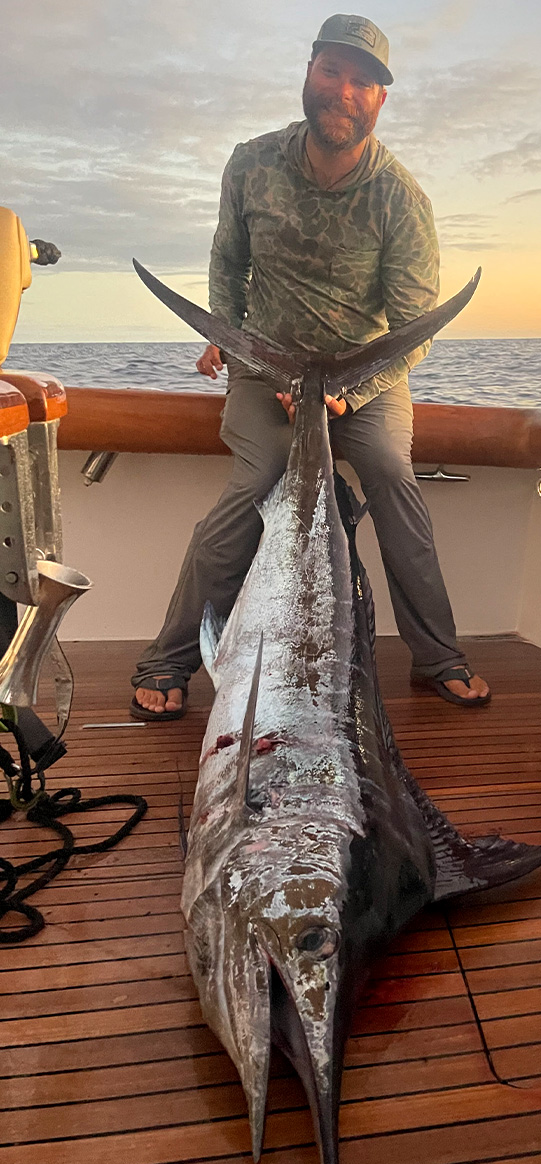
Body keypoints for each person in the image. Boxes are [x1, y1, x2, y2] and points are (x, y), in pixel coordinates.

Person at [131, 13, 490, 722]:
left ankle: (438, 657)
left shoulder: (402, 199)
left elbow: (412, 329)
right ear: (309, 73)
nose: (344, 91)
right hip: (266, 370)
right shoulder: (251, 162)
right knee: (258, 477)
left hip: (364, 378)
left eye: (362, 82)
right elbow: (228, 262)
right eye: (333, 72)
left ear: (380, 99)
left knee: (390, 472)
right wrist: (229, 337)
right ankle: (169, 659)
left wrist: (348, 395)